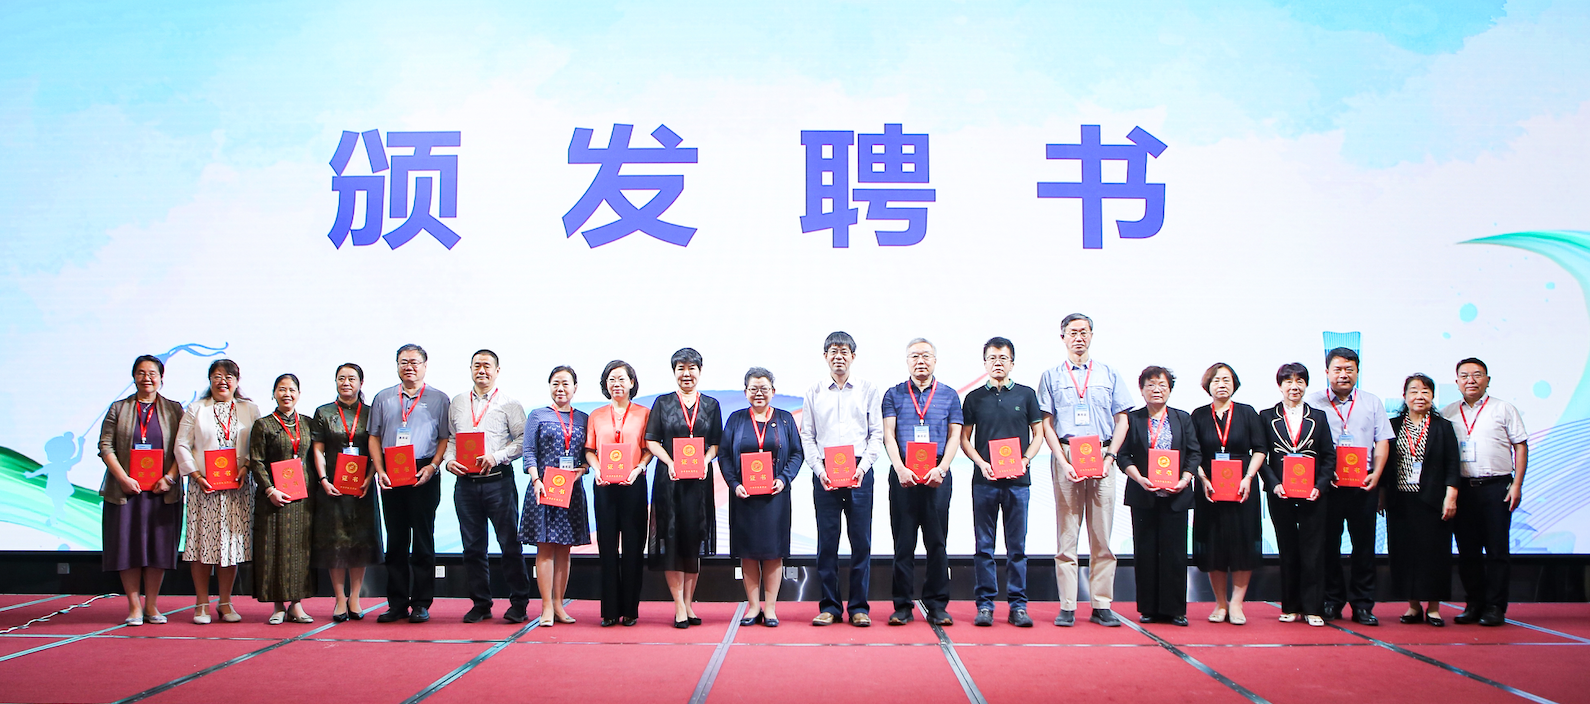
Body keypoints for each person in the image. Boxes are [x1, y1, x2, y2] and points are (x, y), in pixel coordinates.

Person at [1036, 313, 1134, 627]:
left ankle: (1101, 604)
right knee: (1067, 535)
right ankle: (1067, 605)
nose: (1078, 337)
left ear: (1091, 335)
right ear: (1062, 337)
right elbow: (1046, 424)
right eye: (1072, 332)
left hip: (1102, 455)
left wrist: (1110, 457)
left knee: (1101, 535)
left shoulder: (1109, 374)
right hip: (1067, 454)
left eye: (1084, 332)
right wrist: (1062, 461)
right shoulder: (1051, 376)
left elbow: (1123, 420)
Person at [798, 331, 884, 627]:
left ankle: (859, 607)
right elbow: (807, 435)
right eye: (833, 351)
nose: (838, 356)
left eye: (844, 351)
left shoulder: (868, 389)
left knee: (861, 542)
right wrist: (819, 470)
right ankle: (830, 606)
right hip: (825, 474)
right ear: (825, 356)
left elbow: (876, 434)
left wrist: (864, 467)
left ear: (853, 357)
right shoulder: (814, 392)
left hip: (859, 471)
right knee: (827, 543)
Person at [1305, 348, 1394, 626]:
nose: (1343, 374)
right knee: (1327, 545)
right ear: (1327, 372)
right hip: (1328, 485)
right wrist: (1322, 475)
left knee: (1364, 547)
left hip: (1363, 484)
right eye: (1338, 369)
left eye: (1349, 369)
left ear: (1357, 371)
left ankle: (1363, 605)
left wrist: (1376, 474)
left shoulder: (1371, 402)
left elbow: (1382, 441)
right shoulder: (1312, 402)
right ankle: (1332, 600)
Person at [957, 337, 1042, 628]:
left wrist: (1026, 459)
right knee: (984, 546)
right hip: (985, 482)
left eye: (1003, 358)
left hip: (1018, 482)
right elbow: (964, 439)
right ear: (984, 363)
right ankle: (985, 605)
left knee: (1017, 547)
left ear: (1012, 363)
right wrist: (981, 463)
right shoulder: (973, 398)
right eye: (992, 358)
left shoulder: (1026, 395)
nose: (997, 363)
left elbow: (1039, 434)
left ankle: (1018, 605)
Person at [441, 350, 531, 624]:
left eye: (487, 366)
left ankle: (519, 603)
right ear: (470, 369)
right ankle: (481, 603)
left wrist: (497, 456)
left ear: (497, 370)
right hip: (465, 485)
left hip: (498, 481)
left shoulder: (510, 403)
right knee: (472, 547)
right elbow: (451, 439)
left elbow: (522, 441)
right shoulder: (458, 402)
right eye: (477, 365)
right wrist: (449, 461)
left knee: (509, 544)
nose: (481, 370)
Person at [367, 344, 451, 624]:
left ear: (425, 366)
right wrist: (380, 471)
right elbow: (374, 437)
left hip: (423, 470)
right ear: (397, 366)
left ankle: (421, 603)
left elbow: (444, 438)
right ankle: (397, 603)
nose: (409, 367)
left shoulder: (439, 398)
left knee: (423, 540)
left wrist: (433, 466)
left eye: (415, 362)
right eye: (403, 362)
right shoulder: (383, 398)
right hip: (392, 472)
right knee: (396, 540)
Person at [98, 354, 184, 626]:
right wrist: (123, 478)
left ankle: (152, 605)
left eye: (152, 373)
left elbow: (183, 448)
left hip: (162, 492)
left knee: (159, 548)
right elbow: (105, 446)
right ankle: (134, 606)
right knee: (127, 547)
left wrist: (170, 478)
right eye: (141, 373)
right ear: (134, 376)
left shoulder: (174, 409)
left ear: (161, 378)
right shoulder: (119, 408)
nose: (147, 378)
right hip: (126, 492)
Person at [881, 338, 962, 627]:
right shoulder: (893, 394)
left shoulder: (949, 395)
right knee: (903, 543)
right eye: (914, 356)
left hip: (937, 474)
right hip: (903, 473)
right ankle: (902, 606)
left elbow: (955, 435)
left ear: (935, 361)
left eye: (926, 356)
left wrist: (943, 468)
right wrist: (899, 468)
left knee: (937, 542)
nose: (920, 361)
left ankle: (937, 605)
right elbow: (888, 434)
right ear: (907, 361)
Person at [1443, 358, 1529, 627]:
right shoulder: (1447, 413)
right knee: (1467, 551)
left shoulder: (1503, 408)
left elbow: (1521, 446)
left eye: (1477, 375)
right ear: (1457, 381)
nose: (1471, 380)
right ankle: (1474, 603)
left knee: (1496, 550)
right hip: (1462, 490)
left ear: (1487, 380)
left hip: (1496, 487)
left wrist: (1517, 484)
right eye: (1464, 375)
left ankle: (1495, 607)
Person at [175, 359, 259, 625]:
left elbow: (258, 444)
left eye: (229, 376)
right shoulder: (196, 409)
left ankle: (225, 602)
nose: (223, 381)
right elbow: (181, 444)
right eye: (217, 376)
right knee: (202, 545)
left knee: (230, 547)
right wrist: (196, 475)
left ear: (237, 381)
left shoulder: (249, 409)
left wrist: (247, 465)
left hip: (237, 488)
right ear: (210, 380)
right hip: (205, 488)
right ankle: (201, 604)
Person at [645, 348, 722, 628]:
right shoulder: (663, 402)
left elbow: (716, 443)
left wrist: (705, 461)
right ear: (674, 372)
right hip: (671, 481)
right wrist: (670, 462)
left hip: (698, 483)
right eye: (681, 368)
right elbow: (651, 441)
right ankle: (678, 604)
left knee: (693, 540)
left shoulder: (711, 404)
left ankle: (689, 603)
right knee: (672, 540)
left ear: (700, 371)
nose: (686, 374)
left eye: (691, 368)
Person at [720, 368, 803, 628]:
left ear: (773, 392)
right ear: (745, 392)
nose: (759, 393)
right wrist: (734, 484)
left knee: (773, 552)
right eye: (753, 388)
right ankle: (753, 606)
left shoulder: (785, 419)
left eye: (764, 388)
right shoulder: (736, 419)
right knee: (747, 553)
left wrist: (784, 479)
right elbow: (724, 455)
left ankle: (771, 608)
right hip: (744, 497)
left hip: (775, 496)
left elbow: (797, 454)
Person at [1118, 366, 1200, 626]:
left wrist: (1184, 480)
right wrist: (1139, 478)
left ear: (1170, 389)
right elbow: (1123, 456)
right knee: (1146, 552)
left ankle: (1175, 609)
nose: (1157, 389)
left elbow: (1194, 453)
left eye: (1162, 385)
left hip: (1176, 495)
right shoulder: (1132, 419)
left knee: (1175, 553)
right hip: (1144, 495)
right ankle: (1149, 608)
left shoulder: (1182, 418)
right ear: (1142, 390)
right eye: (1151, 385)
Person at [1258, 363, 1335, 627]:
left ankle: (1313, 608)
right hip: (1280, 493)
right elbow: (1261, 455)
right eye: (1288, 382)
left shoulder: (1319, 417)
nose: (1294, 387)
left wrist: (1320, 486)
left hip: (1313, 494)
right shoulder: (1266, 416)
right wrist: (1273, 484)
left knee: (1313, 551)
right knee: (1288, 549)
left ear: (1306, 385)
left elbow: (1329, 456)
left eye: (1299, 381)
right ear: (1280, 386)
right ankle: (1290, 606)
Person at [1189, 363, 1266, 626]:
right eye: (1216, 380)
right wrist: (1202, 478)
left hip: (1242, 488)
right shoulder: (1198, 415)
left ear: (1235, 384)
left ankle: (1236, 604)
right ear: (1207, 385)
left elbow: (1260, 449)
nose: (1222, 384)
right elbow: (1193, 453)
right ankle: (1220, 603)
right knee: (1214, 545)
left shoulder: (1247, 413)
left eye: (1227, 379)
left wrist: (1249, 477)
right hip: (1209, 489)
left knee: (1243, 543)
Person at [1387, 374, 1461, 627]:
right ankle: (1413, 606)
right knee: (1405, 553)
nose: (1420, 396)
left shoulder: (1443, 427)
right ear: (1405, 396)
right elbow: (1385, 463)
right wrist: (1382, 496)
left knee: (1434, 554)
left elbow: (1452, 463)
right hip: (1400, 500)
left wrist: (1451, 496)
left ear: (1432, 396)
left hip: (1433, 500)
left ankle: (1434, 608)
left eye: (1425, 391)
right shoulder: (1393, 425)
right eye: (1414, 391)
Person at [310, 363, 382, 622]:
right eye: (341, 378)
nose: (346, 383)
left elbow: (376, 449)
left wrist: (370, 478)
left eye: (352, 378)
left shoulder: (371, 413)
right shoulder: (324, 412)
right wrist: (323, 479)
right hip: (333, 487)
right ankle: (340, 598)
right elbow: (318, 449)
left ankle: (355, 598)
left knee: (360, 542)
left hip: (362, 487)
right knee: (335, 542)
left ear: (361, 383)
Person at [522, 366, 590, 627]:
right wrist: (536, 479)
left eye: (565, 383)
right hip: (543, 488)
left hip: (571, 490)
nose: (560, 389)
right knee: (545, 547)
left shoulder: (583, 418)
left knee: (564, 548)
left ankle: (560, 605)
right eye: (555, 383)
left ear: (575, 387)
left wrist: (583, 469)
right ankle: (546, 607)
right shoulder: (537, 415)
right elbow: (529, 451)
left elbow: (588, 455)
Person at [587, 360, 651, 627]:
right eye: (611, 379)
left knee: (634, 548)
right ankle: (610, 610)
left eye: (622, 379)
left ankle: (631, 610)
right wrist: (597, 470)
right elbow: (590, 450)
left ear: (632, 383)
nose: (617, 384)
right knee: (607, 548)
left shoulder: (644, 413)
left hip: (633, 485)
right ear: (605, 384)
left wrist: (639, 468)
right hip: (604, 486)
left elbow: (648, 448)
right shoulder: (596, 415)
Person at [249, 374, 316, 625]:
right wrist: (269, 490)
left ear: (299, 394)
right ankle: (277, 605)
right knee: (273, 549)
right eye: (281, 389)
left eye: (292, 389)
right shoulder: (263, 425)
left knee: (300, 551)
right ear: (274, 393)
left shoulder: (308, 423)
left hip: (303, 499)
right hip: (273, 499)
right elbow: (256, 461)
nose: (287, 394)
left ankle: (296, 605)